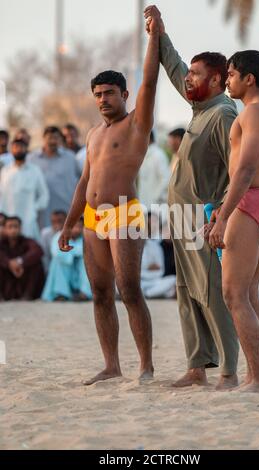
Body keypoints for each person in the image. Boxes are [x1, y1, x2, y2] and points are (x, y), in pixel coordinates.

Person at [58, 12, 160, 384]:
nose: (103, 99)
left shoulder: (136, 124)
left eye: (109, 93)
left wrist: (156, 36)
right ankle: (111, 365)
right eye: (98, 94)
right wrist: (70, 222)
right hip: (91, 218)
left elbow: (150, 80)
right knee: (100, 294)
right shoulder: (92, 135)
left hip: (124, 215)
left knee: (129, 290)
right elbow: (85, 180)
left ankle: (146, 365)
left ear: (124, 95)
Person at [144, 5, 239, 390]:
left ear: (216, 79)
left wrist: (220, 217)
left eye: (197, 75)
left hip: (204, 219)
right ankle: (197, 366)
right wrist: (160, 34)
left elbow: (239, 174)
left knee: (212, 292)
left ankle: (230, 372)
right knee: (185, 292)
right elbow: (174, 67)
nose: (188, 79)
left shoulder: (223, 115)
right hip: (180, 217)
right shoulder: (200, 108)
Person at [209, 50, 259, 394]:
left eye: (232, 75)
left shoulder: (254, 113)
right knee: (248, 293)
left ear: (249, 78)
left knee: (234, 293)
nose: (227, 81)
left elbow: (246, 169)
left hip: (250, 202)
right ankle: (257, 376)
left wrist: (222, 217)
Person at [28, 126, 81, 227]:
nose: (52, 141)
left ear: (61, 140)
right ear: (43, 139)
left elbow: (81, 180)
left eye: (56, 138)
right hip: (42, 212)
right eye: (49, 138)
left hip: (66, 209)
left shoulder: (70, 157)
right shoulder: (32, 159)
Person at [0, 138, 49, 241]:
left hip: (28, 221)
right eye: (15, 147)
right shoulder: (5, 171)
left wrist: (33, 209)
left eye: (21, 147)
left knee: (31, 248)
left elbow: (44, 195)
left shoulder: (35, 170)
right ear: (11, 149)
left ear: (26, 149)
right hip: (8, 220)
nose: (18, 149)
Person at [42, 218, 92, 301]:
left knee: (86, 261)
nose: (77, 230)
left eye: (80, 227)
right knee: (57, 262)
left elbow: (88, 251)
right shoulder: (59, 236)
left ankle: (84, 293)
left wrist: (72, 253)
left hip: (80, 265)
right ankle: (61, 293)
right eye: (74, 227)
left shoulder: (86, 237)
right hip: (64, 265)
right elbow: (56, 252)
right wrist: (72, 255)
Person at [0, 216, 45, 300]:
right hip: (7, 283)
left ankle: (28, 295)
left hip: (23, 278)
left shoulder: (27, 241)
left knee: (37, 263)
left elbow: (38, 251)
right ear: (5, 229)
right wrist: (9, 263)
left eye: (15, 226)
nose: (13, 230)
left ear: (20, 228)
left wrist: (19, 261)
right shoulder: (2, 243)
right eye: (10, 227)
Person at [138, 130, 170, 210]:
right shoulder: (144, 155)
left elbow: (166, 179)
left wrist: (156, 198)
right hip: (145, 204)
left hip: (156, 206)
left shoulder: (158, 155)